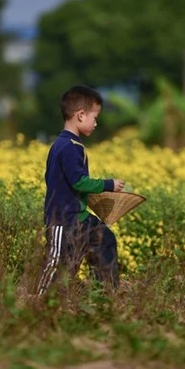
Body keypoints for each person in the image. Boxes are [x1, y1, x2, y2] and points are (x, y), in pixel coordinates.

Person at [37, 85, 125, 296]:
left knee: (104, 239)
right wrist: (107, 185)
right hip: (63, 220)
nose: (96, 123)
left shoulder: (71, 145)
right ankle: (40, 298)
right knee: (61, 264)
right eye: (95, 117)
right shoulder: (67, 147)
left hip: (80, 217)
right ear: (80, 115)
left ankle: (105, 292)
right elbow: (78, 182)